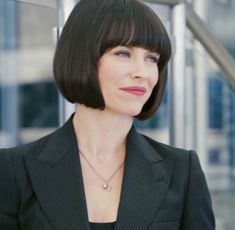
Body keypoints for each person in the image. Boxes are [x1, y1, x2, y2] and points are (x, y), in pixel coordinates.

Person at [0, 0, 215, 229]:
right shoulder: (13, 168)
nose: (142, 72)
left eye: (151, 58)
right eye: (123, 53)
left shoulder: (181, 170)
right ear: (82, 57)